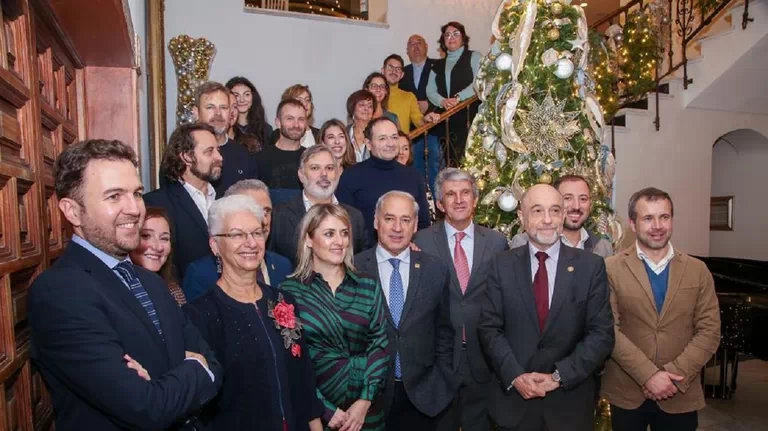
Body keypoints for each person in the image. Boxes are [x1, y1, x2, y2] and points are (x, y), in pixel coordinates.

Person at [28, 139, 222, 431]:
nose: (134, 209)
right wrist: (195, 368)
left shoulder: (149, 280)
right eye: (114, 196)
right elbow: (146, 407)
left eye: (137, 193)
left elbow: (215, 366)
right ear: (72, 211)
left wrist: (171, 377)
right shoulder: (59, 292)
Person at [478, 184, 614, 431]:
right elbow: (489, 328)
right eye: (537, 211)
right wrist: (516, 376)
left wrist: (558, 377)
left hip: (569, 406)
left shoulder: (590, 267)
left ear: (563, 216)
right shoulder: (501, 265)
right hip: (513, 405)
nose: (547, 220)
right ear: (522, 216)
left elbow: (601, 334)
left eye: (554, 210)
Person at [184, 195, 323, 430]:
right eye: (237, 234)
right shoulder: (198, 315)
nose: (251, 243)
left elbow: (303, 380)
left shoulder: (283, 301)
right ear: (215, 245)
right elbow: (201, 403)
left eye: (257, 233)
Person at [602, 188, 720, 431]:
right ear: (633, 224)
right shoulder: (610, 269)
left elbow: (709, 331)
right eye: (648, 218)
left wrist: (672, 375)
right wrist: (649, 376)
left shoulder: (698, 270)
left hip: (680, 392)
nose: (657, 225)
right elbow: (608, 330)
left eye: (664, 217)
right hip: (627, 392)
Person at [414, 168, 509, 431]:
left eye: (465, 193)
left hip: (483, 358)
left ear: (475, 199)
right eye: (451, 194)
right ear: (440, 203)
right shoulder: (420, 241)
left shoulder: (497, 242)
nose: (458, 200)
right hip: (438, 360)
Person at [280, 204, 390, 430]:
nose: (339, 241)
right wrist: (323, 409)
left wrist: (364, 401)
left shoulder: (367, 284)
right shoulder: (289, 292)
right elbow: (291, 361)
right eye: (329, 234)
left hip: (367, 411)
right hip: (315, 413)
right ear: (309, 239)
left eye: (344, 233)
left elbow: (379, 345)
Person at [355, 191, 455, 430]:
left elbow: (445, 331)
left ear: (415, 226)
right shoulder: (354, 269)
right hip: (368, 400)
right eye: (389, 219)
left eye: (405, 220)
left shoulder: (435, 269)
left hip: (425, 399)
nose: (397, 227)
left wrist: (441, 383)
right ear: (376, 222)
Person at [182, 179, 293, 302]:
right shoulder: (200, 274)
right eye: (251, 210)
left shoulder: (283, 265)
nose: (264, 221)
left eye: (266, 211)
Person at [144, 123, 222, 279]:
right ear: (186, 156)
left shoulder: (224, 200)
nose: (219, 157)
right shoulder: (157, 203)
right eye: (209, 152)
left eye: (218, 150)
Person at [337, 117, 431, 245]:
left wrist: (414, 244)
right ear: (369, 144)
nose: (390, 143)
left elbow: (423, 223)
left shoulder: (413, 176)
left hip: (407, 253)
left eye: (394, 137)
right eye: (382, 138)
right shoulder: (351, 176)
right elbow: (344, 224)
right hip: (365, 258)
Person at [270, 145, 368, 266]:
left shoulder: (355, 217)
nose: (324, 174)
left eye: (330, 168)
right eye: (315, 168)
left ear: (337, 174)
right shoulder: (278, 216)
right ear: (301, 175)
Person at [510, 175, 613, 257]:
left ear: (590, 204)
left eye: (583, 199)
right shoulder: (524, 242)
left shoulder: (602, 247)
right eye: (568, 198)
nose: (576, 206)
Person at [427, 22, 481, 166]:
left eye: (456, 33)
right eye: (447, 34)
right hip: (447, 122)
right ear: (443, 40)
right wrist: (442, 101)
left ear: (463, 38)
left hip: (471, 117)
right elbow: (430, 90)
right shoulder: (436, 65)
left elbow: (479, 82)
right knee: (453, 163)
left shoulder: (474, 56)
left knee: (474, 162)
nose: (451, 37)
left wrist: (459, 98)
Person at [193, 81, 259, 196]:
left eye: (223, 107)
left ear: (231, 113)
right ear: (196, 113)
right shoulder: (184, 155)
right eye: (210, 107)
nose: (218, 114)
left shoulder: (244, 156)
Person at [401, 34, 442, 198]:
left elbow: (445, 93)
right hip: (412, 132)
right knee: (414, 169)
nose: (415, 46)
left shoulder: (439, 66)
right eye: (411, 44)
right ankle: (420, 202)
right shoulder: (403, 72)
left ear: (426, 46)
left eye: (419, 43)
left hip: (434, 128)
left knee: (435, 166)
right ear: (407, 51)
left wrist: (430, 106)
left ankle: (437, 202)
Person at [130, 207, 187, 306]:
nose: (158, 247)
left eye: (164, 238)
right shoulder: (115, 293)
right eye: (146, 236)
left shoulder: (174, 291)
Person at [256, 99, 307, 205]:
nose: (296, 125)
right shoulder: (260, 159)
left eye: (301, 119)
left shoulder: (310, 158)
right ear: (278, 123)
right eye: (290, 119)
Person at [381, 54, 440, 134]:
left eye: (398, 69)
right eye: (390, 67)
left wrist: (425, 119)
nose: (394, 71)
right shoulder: (374, 94)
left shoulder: (409, 97)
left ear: (402, 75)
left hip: (401, 144)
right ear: (382, 71)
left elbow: (418, 121)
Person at [226, 76, 273, 150]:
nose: (242, 100)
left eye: (247, 94)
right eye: (236, 95)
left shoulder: (265, 129)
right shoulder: (225, 128)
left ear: (253, 97)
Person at [346, 89, 377, 162]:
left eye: (370, 106)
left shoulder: (378, 133)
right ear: (352, 108)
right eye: (362, 105)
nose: (366, 108)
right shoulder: (344, 133)